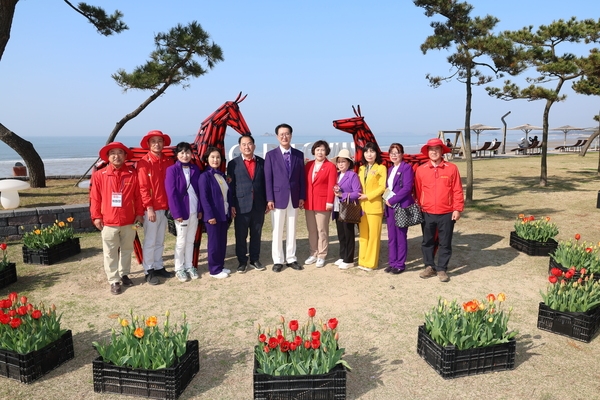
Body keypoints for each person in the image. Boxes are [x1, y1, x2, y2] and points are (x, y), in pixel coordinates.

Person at [90, 142, 144, 295]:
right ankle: (114, 280)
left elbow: (138, 197)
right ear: (108, 157)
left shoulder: (132, 174)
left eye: (120, 152)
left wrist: (139, 214)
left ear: (125, 156)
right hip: (108, 221)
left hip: (129, 220)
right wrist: (96, 217)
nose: (116, 156)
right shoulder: (100, 175)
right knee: (110, 252)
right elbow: (95, 198)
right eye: (112, 153)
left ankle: (124, 273)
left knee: (127, 249)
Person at [415, 138, 464, 283]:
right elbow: (418, 190)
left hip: (447, 212)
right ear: (427, 152)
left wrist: (457, 208)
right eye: (431, 149)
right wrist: (421, 206)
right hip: (427, 211)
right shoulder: (421, 170)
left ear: (442, 151)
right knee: (427, 241)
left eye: (437, 149)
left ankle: (442, 268)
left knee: (445, 242)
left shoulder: (451, 168)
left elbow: (457, 190)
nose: (434, 152)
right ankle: (429, 266)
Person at [264, 123, 306, 273]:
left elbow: (302, 178)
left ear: (291, 135)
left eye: (287, 133)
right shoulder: (270, 155)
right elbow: (268, 179)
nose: (284, 136)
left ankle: (291, 258)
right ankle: (278, 260)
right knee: (277, 230)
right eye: (281, 134)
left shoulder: (298, 155)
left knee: (292, 228)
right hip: (277, 197)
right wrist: (269, 198)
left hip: (294, 197)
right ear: (277, 136)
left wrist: (302, 196)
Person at [137, 130, 175, 285]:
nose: (157, 144)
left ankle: (159, 266)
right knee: (150, 240)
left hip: (165, 207)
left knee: (160, 240)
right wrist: (149, 208)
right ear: (148, 144)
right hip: (151, 209)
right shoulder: (144, 162)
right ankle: (149, 270)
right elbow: (143, 188)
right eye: (153, 141)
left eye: (159, 141)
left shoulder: (167, 161)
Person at [227, 134, 268, 273]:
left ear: (254, 146)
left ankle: (254, 259)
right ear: (240, 147)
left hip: (258, 204)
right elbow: (231, 187)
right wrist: (231, 204)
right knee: (241, 235)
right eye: (244, 144)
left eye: (249, 144)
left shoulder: (262, 162)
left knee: (256, 233)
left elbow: (266, 184)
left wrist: (268, 201)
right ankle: (242, 261)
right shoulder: (233, 164)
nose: (247, 147)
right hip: (240, 205)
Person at [165, 142, 202, 282]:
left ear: (191, 154)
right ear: (177, 155)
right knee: (181, 241)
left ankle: (189, 265)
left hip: (194, 210)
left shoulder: (195, 169)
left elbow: (199, 191)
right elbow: (171, 193)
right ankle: (179, 268)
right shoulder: (172, 170)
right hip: (181, 211)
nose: (185, 155)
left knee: (191, 240)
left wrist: (199, 210)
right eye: (182, 153)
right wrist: (176, 213)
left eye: (187, 152)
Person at [199, 147, 235, 279]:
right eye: (213, 157)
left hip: (223, 214)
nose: (215, 159)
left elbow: (227, 195)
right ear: (207, 159)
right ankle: (214, 270)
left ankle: (220, 265)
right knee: (214, 243)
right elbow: (204, 198)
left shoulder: (221, 175)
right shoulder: (204, 176)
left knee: (221, 241)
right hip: (213, 216)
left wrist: (231, 207)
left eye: (218, 157)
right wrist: (209, 216)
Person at [304, 140, 337, 268]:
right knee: (311, 230)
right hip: (309, 202)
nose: (320, 152)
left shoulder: (330, 166)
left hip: (323, 202)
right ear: (314, 151)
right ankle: (313, 253)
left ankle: (322, 254)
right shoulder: (309, 165)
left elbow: (331, 185)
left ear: (326, 152)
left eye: (322, 150)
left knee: (322, 229)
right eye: (317, 149)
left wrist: (330, 201)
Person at [383, 143, 415, 274]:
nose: (394, 155)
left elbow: (407, 188)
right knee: (391, 236)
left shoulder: (406, 168)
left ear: (402, 154)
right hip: (390, 207)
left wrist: (392, 200)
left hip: (401, 206)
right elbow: (388, 188)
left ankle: (400, 264)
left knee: (401, 236)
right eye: (392, 153)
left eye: (397, 152)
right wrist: (386, 199)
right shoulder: (390, 169)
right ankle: (392, 262)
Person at [357, 142, 387, 271]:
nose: (369, 154)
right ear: (363, 154)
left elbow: (382, 187)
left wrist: (367, 196)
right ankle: (362, 260)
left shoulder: (381, 168)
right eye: (367, 151)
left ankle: (371, 263)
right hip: (361, 207)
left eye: (372, 151)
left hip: (374, 207)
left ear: (376, 153)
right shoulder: (361, 168)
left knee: (374, 236)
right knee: (363, 235)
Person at [331, 149, 361, 270]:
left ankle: (349, 259)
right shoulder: (337, 175)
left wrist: (342, 195)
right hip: (338, 208)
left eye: (343, 161)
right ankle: (342, 255)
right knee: (341, 234)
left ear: (349, 163)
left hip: (348, 208)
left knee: (349, 234)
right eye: (339, 162)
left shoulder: (352, 175)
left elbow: (357, 192)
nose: (341, 164)